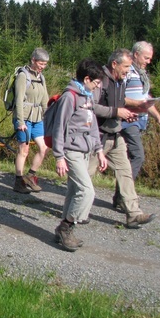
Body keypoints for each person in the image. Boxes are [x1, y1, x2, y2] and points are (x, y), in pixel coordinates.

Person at [89, 48, 156, 229]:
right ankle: (72, 213)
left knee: (125, 172)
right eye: (126, 66)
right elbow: (91, 106)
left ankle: (133, 214)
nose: (128, 70)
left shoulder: (120, 81)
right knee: (85, 177)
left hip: (115, 134)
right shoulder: (99, 80)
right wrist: (116, 112)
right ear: (114, 64)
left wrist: (129, 114)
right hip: (98, 138)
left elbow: (121, 102)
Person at [52, 59, 107, 251]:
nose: (98, 86)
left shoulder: (88, 97)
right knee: (86, 191)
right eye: (96, 82)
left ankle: (63, 229)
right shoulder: (70, 97)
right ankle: (66, 227)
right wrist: (59, 156)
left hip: (85, 151)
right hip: (71, 151)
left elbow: (93, 127)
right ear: (86, 79)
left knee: (74, 191)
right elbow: (59, 127)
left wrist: (99, 151)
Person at [112, 41, 160, 209]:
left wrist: (159, 118)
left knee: (126, 158)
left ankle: (119, 195)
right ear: (136, 55)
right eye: (146, 57)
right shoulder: (127, 72)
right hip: (127, 121)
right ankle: (124, 196)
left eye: (150, 58)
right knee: (138, 156)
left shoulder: (142, 75)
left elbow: (146, 100)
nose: (148, 61)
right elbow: (118, 95)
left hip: (139, 121)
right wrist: (136, 103)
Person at [12, 48, 50, 193]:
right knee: (24, 149)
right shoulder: (23, 76)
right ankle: (18, 181)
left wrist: (48, 117)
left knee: (43, 148)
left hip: (38, 118)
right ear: (33, 60)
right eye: (41, 63)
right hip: (25, 118)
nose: (42, 67)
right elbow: (19, 100)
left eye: (45, 64)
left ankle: (30, 176)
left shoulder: (41, 77)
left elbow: (45, 99)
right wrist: (20, 121)